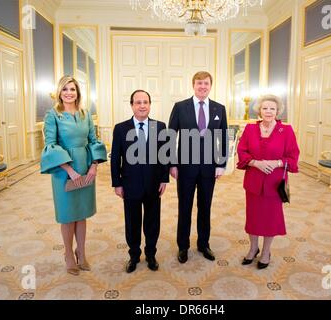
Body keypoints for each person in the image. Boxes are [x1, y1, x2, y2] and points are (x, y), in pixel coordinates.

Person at [40, 76, 107, 275]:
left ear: (78, 92)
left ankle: (82, 252)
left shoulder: (86, 114)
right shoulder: (53, 115)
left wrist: (94, 166)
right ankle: (68, 254)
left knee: (82, 213)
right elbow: (50, 145)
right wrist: (69, 170)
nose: (69, 93)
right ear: (59, 92)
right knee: (68, 216)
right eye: (65, 89)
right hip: (64, 170)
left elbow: (94, 140)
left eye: (73, 89)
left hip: (85, 167)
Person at [168, 71, 228, 263]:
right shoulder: (180, 107)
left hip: (209, 168)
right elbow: (170, 137)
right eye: (199, 83)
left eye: (206, 83)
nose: (203, 86)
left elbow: (223, 138)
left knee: (205, 207)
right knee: (184, 207)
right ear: (193, 85)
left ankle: (204, 244)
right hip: (185, 168)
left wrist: (221, 163)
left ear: (211, 86)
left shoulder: (219, 109)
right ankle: (183, 246)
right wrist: (172, 163)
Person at [237, 94, 299, 269]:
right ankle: (253, 248)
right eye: (265, 108)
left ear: (277, 111)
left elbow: (293, 157)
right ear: (259, 110)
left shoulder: (286, 131)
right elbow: (242, 151)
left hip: (274, 183)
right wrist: (255, 163)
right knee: (253, 217)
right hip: (253, 182)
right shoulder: (250, 129)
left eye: (272, 108)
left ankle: (266, 252)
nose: (269, 111)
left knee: (270, 219)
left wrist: (277, 162)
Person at [111, 89, 169, 273]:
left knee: (153, 222)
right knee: (132, 222)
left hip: (153, 185)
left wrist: (164, 179)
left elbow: (164, 156)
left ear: (150, 105)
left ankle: (151, 254)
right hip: (130, 185)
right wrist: (117, 183)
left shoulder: (160, 126)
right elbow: (115, 158)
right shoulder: (121, 128)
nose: (142, 105)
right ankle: (134, 255)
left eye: (145, 102)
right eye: (138, 102)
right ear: (132, 105)